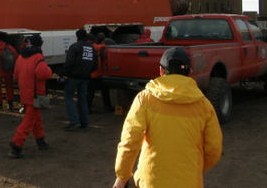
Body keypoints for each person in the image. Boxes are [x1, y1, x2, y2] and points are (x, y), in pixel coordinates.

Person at [113, 47, 223, 188]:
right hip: (189, 182)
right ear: (189, 72)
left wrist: (122, 176)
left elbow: (130, 141)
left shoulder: (145, 99)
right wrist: (194, 168)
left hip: (152, 182)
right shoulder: (204, 105)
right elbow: (214, 148)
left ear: (161, 71)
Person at [8, 34, 53, 158]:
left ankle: (41, 141)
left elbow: (16, 75)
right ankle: (16, 146)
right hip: (35, 94)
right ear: (40, 44)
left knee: (35, 119)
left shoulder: (21, 56)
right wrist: (50, 71)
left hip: (25, 93)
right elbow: (43, 74)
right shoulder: (38, 57)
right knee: (29, 121)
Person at [59, 28, 97, 131]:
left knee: (68, 97)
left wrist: (62, 74)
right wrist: (87, 72)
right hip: (85, 78)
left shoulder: (75, 47)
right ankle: (85, 123)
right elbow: (95, 65)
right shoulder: (92, 48)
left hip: (74, 77)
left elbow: (69, 63)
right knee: (82, 99)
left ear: (77, 37)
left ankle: (74, 121)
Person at [86, 33, 113, 113]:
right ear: (103, 39)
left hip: (91, 73)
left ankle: (87, 108)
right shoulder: (103, 48)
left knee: (90, 92)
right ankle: (107, 106)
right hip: (100, 73)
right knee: (105, 91)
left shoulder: (90, 47)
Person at [0, 37, 18, 110]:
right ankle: (10, 104)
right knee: (9, 86)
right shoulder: (9, 47)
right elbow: (16, 56)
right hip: (8, 71)